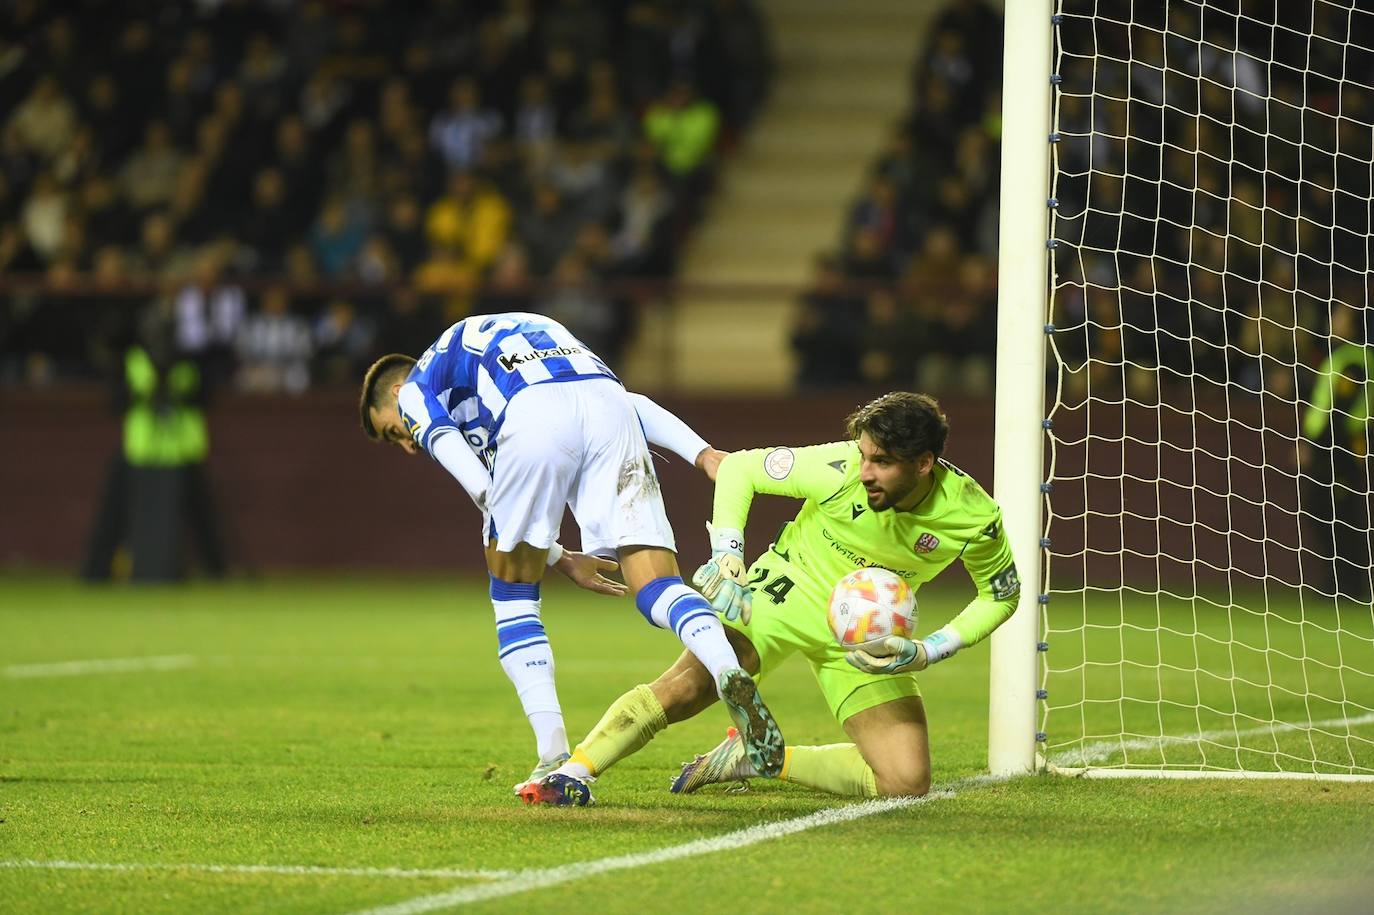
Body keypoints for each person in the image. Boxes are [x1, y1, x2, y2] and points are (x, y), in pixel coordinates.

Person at [358, 312, 783, 805]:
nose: (406, 445)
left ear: (394, 394)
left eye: (392, 432)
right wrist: (703, 453)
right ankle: (725, 667)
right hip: (607, 402)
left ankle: (552, 755)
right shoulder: (503, 341)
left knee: (513, 593)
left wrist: (521, 528)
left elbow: (471, 473)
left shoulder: (416, 386)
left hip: (532, 413)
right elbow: (628, 403)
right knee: (657, 586)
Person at [528, 392, 1020, 802]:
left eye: (883, 463)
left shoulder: (973, 518)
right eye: (864, 455)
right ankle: (571, 772)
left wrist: (930, 649)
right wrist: (728, 555)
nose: (865, 472)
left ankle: (755, 758)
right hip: (780, 595)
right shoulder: (838, 467)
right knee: (692, 685)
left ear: (925, 464)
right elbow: (739, 470)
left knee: (905, 781)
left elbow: (1001, 596)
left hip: (864, 636)